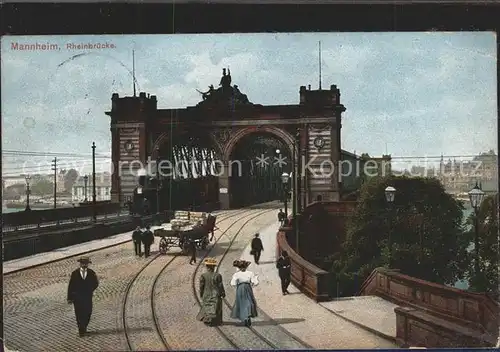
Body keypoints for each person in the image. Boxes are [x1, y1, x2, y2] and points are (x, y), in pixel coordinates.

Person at [67, 257, 99, 337]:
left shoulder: (91, 273)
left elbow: (96, 283)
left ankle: (84, 326)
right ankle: (81, 330)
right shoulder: (74, 273)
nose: (85, 265)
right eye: (83, 263)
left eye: (86, 263)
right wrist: (69, 298)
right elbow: (71, 286)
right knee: (79, 314)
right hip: (77, 297)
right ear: (80, 264)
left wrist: (90, 289)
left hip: (87, 296)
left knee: (88, 312)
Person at [196, 257, 226, 326]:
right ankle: (217, 321)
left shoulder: (203, 276)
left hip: (206, 294)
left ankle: (207, 320)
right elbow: (220, 286)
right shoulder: (218, 275)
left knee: (207, 307)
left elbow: (201, 286)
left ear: (207, 267)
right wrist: (223, 293)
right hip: (216, 295)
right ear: (214, 267)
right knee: (217, 308)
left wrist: (201, 294)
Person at [230, 260, 258, 326]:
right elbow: (255, 282)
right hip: (248, 287)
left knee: (242, 302)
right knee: (249, 302)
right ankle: (247, 316)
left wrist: (237, 283)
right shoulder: (250, 273)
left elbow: (233, 283)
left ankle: (245, 317)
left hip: (240, 288)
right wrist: (254, 280)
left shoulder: (236, 274)